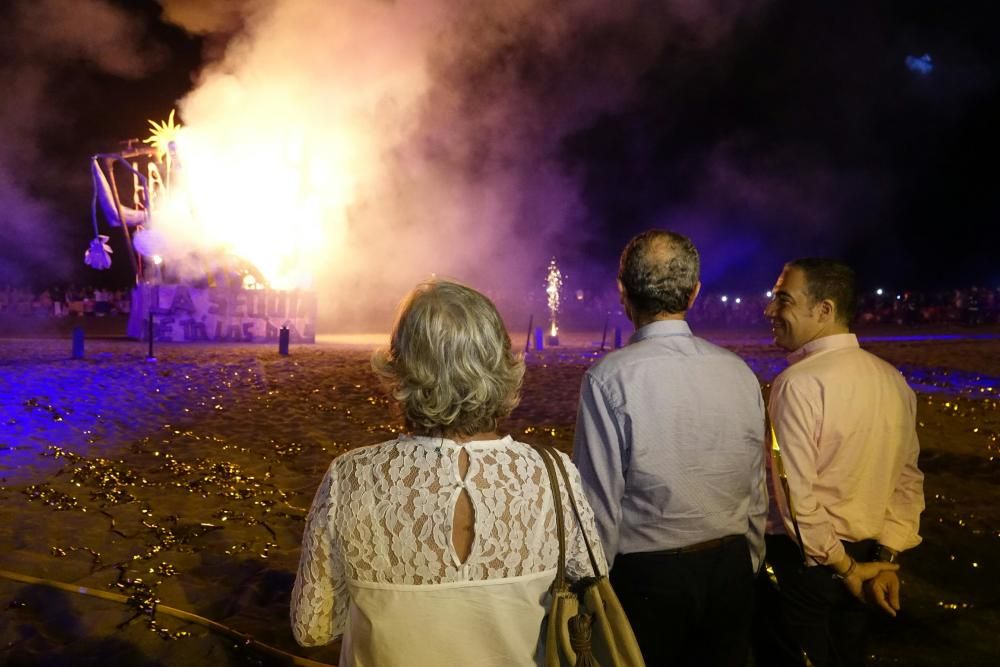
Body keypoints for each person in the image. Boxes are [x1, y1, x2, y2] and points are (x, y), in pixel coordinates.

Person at [290, 279, 607, 666]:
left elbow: (313, 628)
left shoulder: (351, 476)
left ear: (402, 367)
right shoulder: (553, 476)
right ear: (499, 363)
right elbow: (591, 583)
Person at [572, 230, 767, 666]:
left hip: (649, 580)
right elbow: (756, 487)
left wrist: (591, 586)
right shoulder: (738, 373)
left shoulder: (608, 378)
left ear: (622, 293)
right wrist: (747, 560)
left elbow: (598, 503)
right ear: (695, 293)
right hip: (730, 566)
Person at [757, 258, 924, 667]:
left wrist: (847, 569)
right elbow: (908, 482)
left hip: (805, 567)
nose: (769, 312)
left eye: (783, 300)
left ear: (824, 310)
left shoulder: (797, 384)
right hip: (866, 560)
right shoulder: (892, 379)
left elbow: (796, 497)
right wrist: (883, 561)